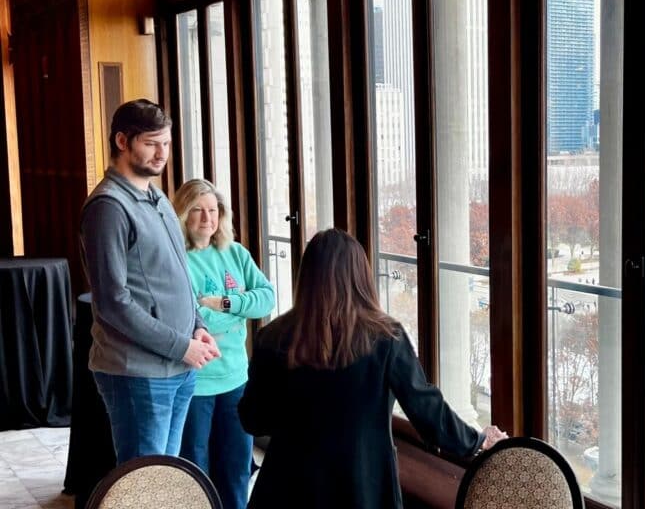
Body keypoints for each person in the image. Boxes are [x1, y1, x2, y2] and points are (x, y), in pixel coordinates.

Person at [239, 229, 507, 509]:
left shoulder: (272, 338)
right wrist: (476, 440)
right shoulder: (385, 338)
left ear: (305, 276)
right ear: (360, 276)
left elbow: (253, 420)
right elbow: (427, 410)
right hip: (362, 487)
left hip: (287, 488)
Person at [80, 99, 220, 463]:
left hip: (178, 366)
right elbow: (113, 303)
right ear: (122, 141)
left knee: (164, 482)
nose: (162, 154)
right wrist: (180, 346)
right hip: (138, 374)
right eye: (151, 143)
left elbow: (177, 275)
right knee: (143, 487)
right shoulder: (108, 207)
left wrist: (198, 327)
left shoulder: (156, 196)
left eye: (167, 144)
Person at [174, 179, 275, 509]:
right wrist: (237, 310)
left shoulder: (236, 253)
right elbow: (189, 318)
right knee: (195, 472)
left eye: (213, 210)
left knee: (235, 471)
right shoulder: (178, 260)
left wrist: (225, 304)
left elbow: (267, 299)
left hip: (235, 379)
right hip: (196, 382)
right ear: (184, 215)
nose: (207, 218)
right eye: (198, 210)